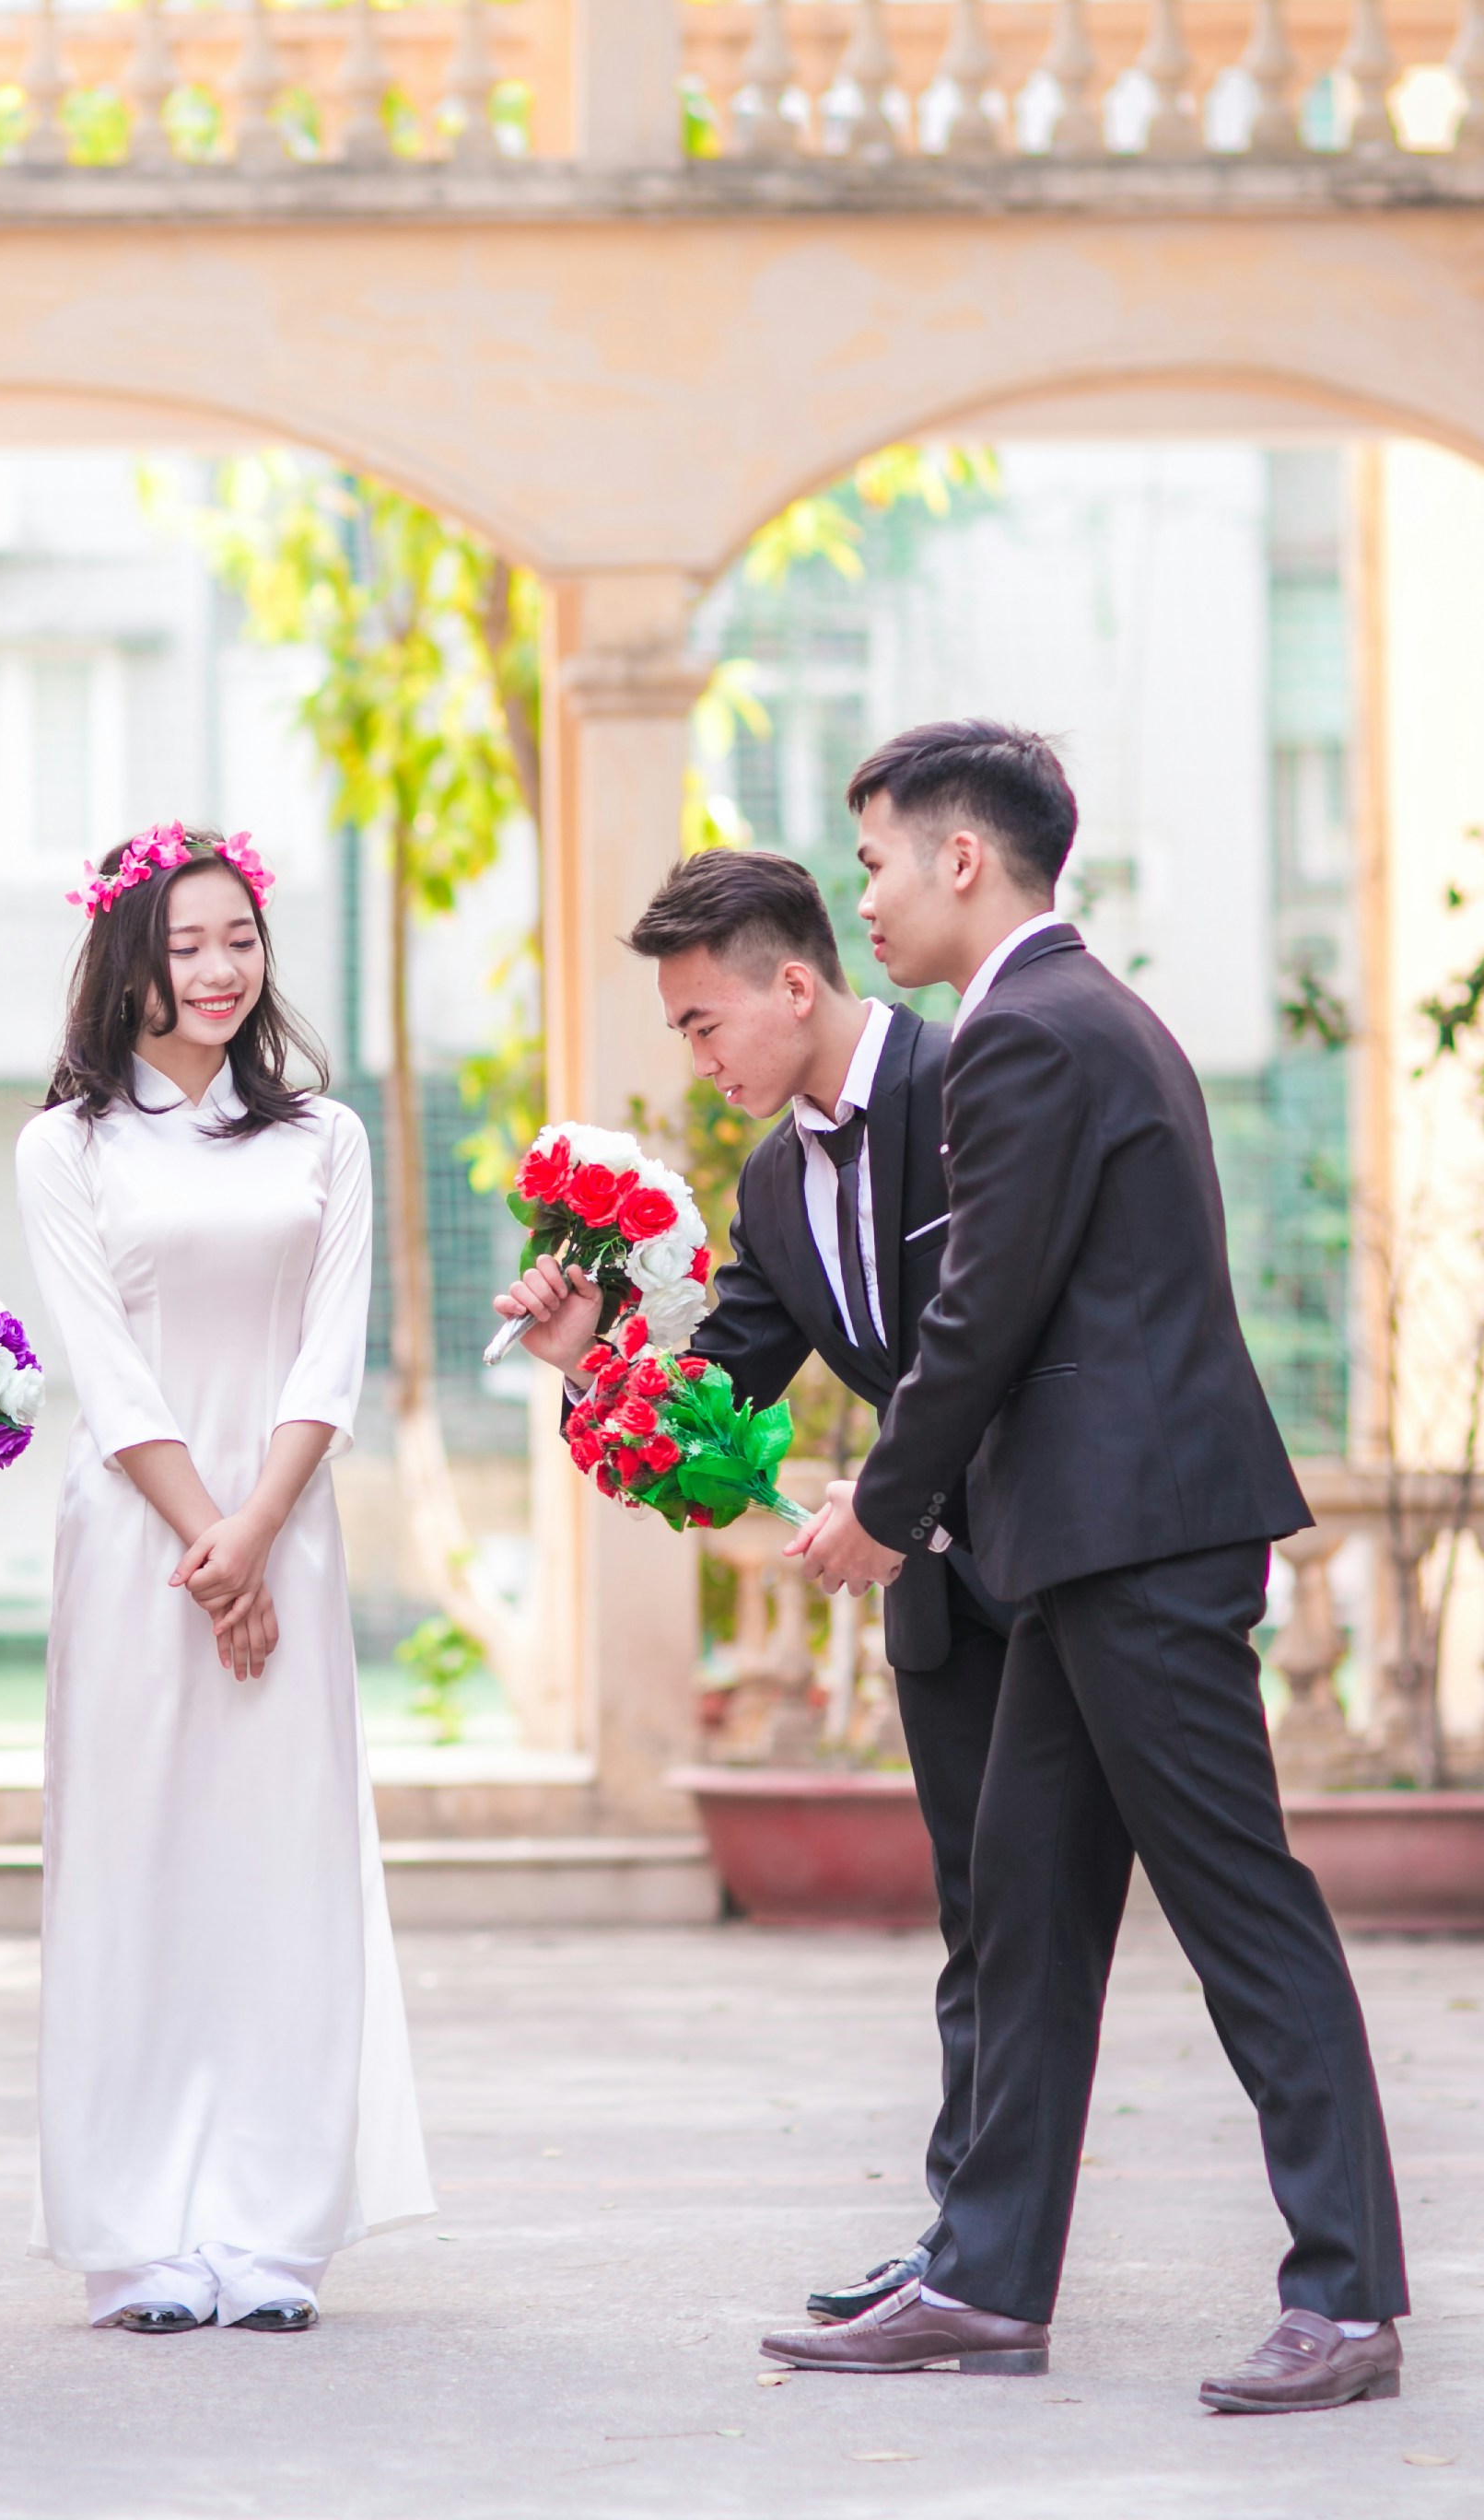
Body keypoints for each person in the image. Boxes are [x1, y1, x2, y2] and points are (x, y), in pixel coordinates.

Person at [765, 721, 1408, 2414]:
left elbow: (983, 1312)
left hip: (1142, 1544)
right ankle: (984, 2282)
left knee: (1241, 1910)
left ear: (963, 859)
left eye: (877, 864)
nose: (865, 901)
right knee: (1031, 1915)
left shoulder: (1030, 1032)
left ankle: (1347, 2301)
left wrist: (885, 1504)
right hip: (1090, 1545)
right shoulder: (1070, 1014)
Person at [489, 844, 1013, 2332]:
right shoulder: (777, 1184)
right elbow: (703, 1418)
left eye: (704, 1022)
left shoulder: (980, 1082)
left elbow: (1009, 1337)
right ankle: (970, 2245)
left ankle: (1330, 2278)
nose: (697, 1056)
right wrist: (588, 1359)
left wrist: (890, 1497)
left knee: (1207, 1918)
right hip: (943, 1601)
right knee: (982, 1930)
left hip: (1073, 1569)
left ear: (794, 984)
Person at [12, 822, 435, 2337]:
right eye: (185, 944)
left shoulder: (324, 1137)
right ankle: (134, 2233)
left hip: (287, 1529)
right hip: (138, 1544)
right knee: (134, 1865)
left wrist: (257, 1535)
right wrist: (210, 1541)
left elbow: (332, 1353)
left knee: (278, 1865)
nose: (216, 969)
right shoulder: (64, 1147)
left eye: (239, 939)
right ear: (127, 962)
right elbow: (105, 1366)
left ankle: (273, 2226)